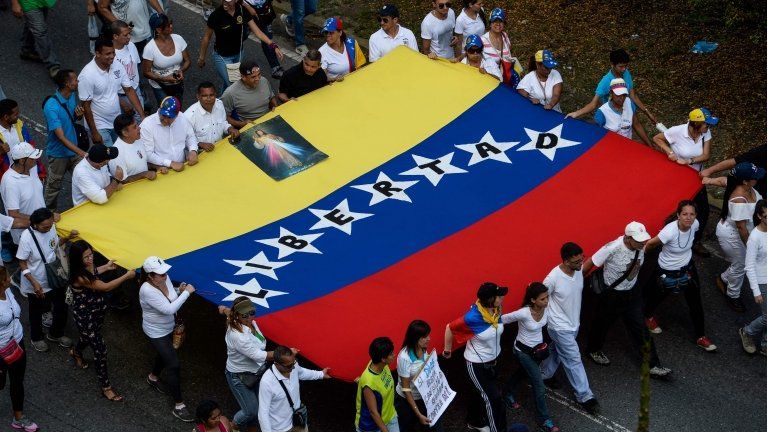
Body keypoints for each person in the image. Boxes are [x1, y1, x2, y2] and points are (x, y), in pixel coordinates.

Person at [581, 222, 671, 378]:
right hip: (612, 295)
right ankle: (593, 350)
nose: (643, 242)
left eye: (644, 239)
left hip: (631, 293)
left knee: (640, 328)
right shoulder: (612, 248)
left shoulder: (640, 245)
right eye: (638, 240)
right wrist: (575, 284)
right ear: (628, 238)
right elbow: (590, 263)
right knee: (602, 324)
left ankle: (653, 365)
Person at [642, 200, 718, 352]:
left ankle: (700, 336)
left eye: (692, 214)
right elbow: (650, 244)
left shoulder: (695, 224)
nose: (688, 218)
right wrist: (642, 259)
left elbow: (691, 238)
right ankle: (647, 317)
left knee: (695, 301)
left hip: (687, 268)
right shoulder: (669, 232)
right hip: (667, 270)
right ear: (678, 215)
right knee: (658, 296)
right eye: (685, 214)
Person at [68, 239, 137, 401]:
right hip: (87, 317)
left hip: (97, 313)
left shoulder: (86, 269)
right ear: (78, 259)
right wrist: (126, 276)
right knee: (101, 351)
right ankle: (106, 387)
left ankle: (76, 352)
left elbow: (93, 273)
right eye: (86, 257)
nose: (90, 259)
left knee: (86, 337)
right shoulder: (80, 276)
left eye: (91, 254)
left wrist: (106, 267)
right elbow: (104, 287)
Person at [539, 243, 599, 414]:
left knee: (558, 351)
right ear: (565, 261)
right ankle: (585, 396)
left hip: (574, 323)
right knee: (573, 359)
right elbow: (540, 299)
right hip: (559, 326)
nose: (581, 264)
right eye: (576, 262)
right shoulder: (552, 279)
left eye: (582, 259)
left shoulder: (579, 270)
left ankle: (544, 375)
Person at [652, 108, 717, 257]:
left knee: (703, 210)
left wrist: (689, 161)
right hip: (678, 177)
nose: (709, 127)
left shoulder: (706, 132)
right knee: (677, 208)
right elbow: (657, 138)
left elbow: (706, 155)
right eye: (706, 124)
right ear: (696, 123)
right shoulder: (678, 131)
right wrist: (669, 152)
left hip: (696, 177)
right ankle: (668, 238)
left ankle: (695, 241)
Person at [443, 282, 508, 432]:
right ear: (490, 299)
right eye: (499, 296)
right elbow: (450, 327)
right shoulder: (472, 318)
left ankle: (474, 421)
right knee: (493, 400)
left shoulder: (496, 310)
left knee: (478, 394)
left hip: (494, 360)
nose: (502, 298)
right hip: (477, 365)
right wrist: (447, 350)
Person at [139, 255, 196, 421]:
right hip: (156, 331)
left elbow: (171, 295)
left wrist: (179, 290)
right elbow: (169, 309)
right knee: (174, 364)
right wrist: (186, 294)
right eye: (161, 274)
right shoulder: (146, 290)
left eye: (165, 273)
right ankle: (179, 406)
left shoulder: (164, 278)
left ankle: (153, 377)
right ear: (150, 276)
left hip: (168, 327)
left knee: (164, 354)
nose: (165, 276)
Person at [501, 282, 559, 432]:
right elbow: (502, 319)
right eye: (542, 299)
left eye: (547, 297)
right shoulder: (523, 313)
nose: (546, 301)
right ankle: (544, 419)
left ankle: (507, 392)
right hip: (523, 352)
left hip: (537, 351)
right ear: (533, 300)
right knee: (539, 385)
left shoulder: (546, 308)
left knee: (522, 373)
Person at [17, 208, 76, 352]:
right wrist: (34, 282)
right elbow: (22, 262)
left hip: (54, 278)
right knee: (36, 311)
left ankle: (56, 334)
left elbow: (55, 246)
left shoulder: (50, 227)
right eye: (45, 227)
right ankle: (36, 338)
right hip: (37, 282)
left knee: (62, 307)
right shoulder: (26, 237)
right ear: (35, 224)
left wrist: (67, 237)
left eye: (50, 225)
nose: (49, 228)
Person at [199, 0, 284, 92]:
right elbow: (206, 38)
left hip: (238, 54)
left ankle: (222, 103)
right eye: (224, 0)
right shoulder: (215, 16)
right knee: (234, 86)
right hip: (222, 57)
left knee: (228, 85)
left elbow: (258, 32)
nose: (225, 3)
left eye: (229, 1)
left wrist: (273, 45)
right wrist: (201, 58)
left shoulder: (242, 10)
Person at [224, 296, 279, 432]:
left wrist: (223, 309)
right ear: (236, 316)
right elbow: (259, 356)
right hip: (239, 376)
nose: (250, 318)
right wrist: (283, 354)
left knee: (259, 407)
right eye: (245, 315)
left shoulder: (250, 324)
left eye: (252, 313)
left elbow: (228, 313)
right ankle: (233, 425)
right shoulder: (238, 336)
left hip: (255, 373)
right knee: (251, 411)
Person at [714, 162, 765, 312]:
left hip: (743, 232)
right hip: (732, 236)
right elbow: (741, 227)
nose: (758, 179)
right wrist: (752, 248)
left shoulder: (749, 188)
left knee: (739, 264)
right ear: (745, 181)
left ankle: (723, 279)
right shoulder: (738, 199)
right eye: (754, 177)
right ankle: (732, 295)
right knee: (742, 264)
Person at [79, 37, 145, 147]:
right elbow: (86, 106)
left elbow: (128, 90)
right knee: (110, 158)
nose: (112, 56)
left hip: (116, 121)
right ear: (97, 53)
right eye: (108, 54)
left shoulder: (117, 65)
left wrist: (142, 116)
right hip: (99, 125)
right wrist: (94, 132)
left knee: (121, 151)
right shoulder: (87, 75)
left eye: (113, 52)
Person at [566, 48, 657, 128]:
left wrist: (648, 113)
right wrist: (576, 113)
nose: (624, 69)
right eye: (621, 66)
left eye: (625, 66)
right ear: (612, 64)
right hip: (612, 115)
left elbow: (633, 95)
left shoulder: (626, 73)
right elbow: (593, 104)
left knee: (636, 124)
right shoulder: (605, 82)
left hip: (626, 107)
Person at [0, 266, 39, 432]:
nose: (10, 278)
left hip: (17, 343)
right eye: (7, 277)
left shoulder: (8, 291)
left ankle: (19, 418)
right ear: (1, 283)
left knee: (17, 381)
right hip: (1, 352)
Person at [258, 345, 330, 432]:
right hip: (280, 429)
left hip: (298, 421)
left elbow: (302, 372)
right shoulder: (267, 382)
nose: (292, 368)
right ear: (276, 364)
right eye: (289, 366)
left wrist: (321, 374)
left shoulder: (292, 365)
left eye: (293, 363)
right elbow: (263, 413)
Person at [43, 70, 87, 210]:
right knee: (54, 186)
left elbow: (71, 119)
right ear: (67, 84)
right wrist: (82, 153)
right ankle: (48, 213)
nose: (77, 81)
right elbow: (60, 137)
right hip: (59, 154)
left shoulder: (72, 96)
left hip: (73, 150)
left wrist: (78, 116)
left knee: (84, 178)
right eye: (74, 79)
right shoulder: (51, 106)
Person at [394, 320, 444, 432]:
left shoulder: (423, 348)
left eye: (428, 335)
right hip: (406, 402)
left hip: (424, 397)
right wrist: (418, 413)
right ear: (415, 338)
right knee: (406, 428)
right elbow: (406, 389)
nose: (429, 339)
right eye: (424, 337)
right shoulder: (404, 358)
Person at [0, 143, 47, 250]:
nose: (36, 160)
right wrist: (42, 219)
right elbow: (14, 214)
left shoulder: (32, 168)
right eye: (33, 158)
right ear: (22, 161)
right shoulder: (10, 182)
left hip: (42, 225)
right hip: (27, 234)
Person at [140, 96, 199, 172]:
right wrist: (170, 163)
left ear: (177, 115)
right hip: (161, 169)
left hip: (183, 165)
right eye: (163, 115)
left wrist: (193, 150)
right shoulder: (147, 125)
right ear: (159, 109)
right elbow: (147, 154)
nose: (165, 120)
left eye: (169, 117)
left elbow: (190, 136)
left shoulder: (182, 117)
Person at [142, 13, 190, 105]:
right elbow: (146, 72)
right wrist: (164, 79)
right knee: (166, 111)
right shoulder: (149, 48)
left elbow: (187, 60)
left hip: (177, 84)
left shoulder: (178, 39)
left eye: (170, 23)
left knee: (177, 109)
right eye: (167, 25)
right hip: (160, 86)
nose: (171, 26)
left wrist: (181, 70)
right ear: (159, 30)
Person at [740, 200, 767, 355]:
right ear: (759, 216)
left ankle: (765, 344)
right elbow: (749, 266)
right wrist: (756, 291)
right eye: (767, 216)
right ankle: (747, 331)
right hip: (762, 280)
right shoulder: (754, 238)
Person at [355, 336, 398, 432]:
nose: (394, 355)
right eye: (391, 354)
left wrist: (360, 380)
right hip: (372, 427)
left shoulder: (381, 365)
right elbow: (373, 412)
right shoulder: (369, 383)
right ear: (383, 359)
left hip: (390, 416)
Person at [591, 78, 651, 145]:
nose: (622, 98)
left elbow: (636, 124)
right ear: (611, 93)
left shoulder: (629, 103)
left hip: (627, 145)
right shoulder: (603, 112)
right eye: (618, 95)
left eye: (624, 94)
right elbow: (595, 134)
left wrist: (650, 145)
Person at [11, 0, 61, 78]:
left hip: (43, 1)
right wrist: (15, 3)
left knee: (33, 24)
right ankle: (53, 65)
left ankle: (27, 50)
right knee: (41, 32)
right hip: (29, 2)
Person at [184, 82, 240, 152]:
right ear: (198, 97)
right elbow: (184, 139)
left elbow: (223, 123)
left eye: (211, 95)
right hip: (200, 153)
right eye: (204, 96)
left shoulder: (219, 104)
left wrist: (230, 128)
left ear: (215, 95)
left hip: (220, 148)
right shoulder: (189, 116)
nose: (209, 99)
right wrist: (200, 144)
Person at [221, 61, 278, 129]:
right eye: (253, 77)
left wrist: (276, 107)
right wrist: (241, 124)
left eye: (259, 74)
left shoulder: (264, 80)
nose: (258, 79)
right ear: (243, 77)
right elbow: (223, 117)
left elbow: (271, 96)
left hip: (270, 119)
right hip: (251, 127)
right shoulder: (230, 93)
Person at [701, 144, 766, 203]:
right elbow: (734, 162)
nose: (758, 178)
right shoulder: (740, 202)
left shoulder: (743, 186)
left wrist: (709, 180)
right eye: (756, 177)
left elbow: (723, 181)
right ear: (745, 181)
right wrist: (709, 172)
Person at [0, 99, 46, 181]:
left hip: (26, 175)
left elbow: (30, 149)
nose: (18, 116)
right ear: (6, 117)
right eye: (16, 114)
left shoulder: (19, 126)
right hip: (8, 180)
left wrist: (40, 171)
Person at [98, 0, 165, 54]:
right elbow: (102, 7)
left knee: (149, 60)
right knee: (131, 64)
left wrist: (162, 14)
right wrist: (120, 25)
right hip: (127, 37)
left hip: (146, 30)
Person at [240, 0, 283, 79]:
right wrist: (248, 7)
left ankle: (275, 66)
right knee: (241, 36)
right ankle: (230, 59)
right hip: (247, 9)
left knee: (267, 38)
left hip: (264, 10)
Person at [110, 20, 144, 119]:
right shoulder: (109, 55)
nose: (129, 37)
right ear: (115, 36)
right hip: (119, 97)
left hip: (135, 91)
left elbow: (136, 66)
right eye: (125, 35)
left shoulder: (132, 46)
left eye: (129, 33)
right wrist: (121, 102)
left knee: (140, 121)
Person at [480, 8, 521, 87]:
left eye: (500, 21)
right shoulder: (483, 40)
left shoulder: (505, 36)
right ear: (490, 23)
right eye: (495, 21)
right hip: (490, 81)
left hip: (507, 80)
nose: (498, 24)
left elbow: (509, 56)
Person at [109, 113, 156, 183]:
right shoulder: (116, 153)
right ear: (125, 133)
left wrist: (158, 167)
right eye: (135, 127)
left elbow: (142, 164)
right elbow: (121, 181)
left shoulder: (138, 140)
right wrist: (144, 174)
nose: (139, 128)